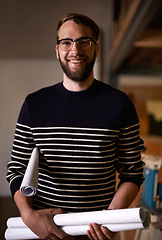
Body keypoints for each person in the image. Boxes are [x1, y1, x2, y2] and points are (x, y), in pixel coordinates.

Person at [6, 13, 144, 240]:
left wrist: (110, 218)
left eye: (84, 41)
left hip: (98, 231)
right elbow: (17, 169)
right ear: (57, 50)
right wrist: (29, 215)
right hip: (43, 230)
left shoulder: (120, 104)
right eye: (66, 42)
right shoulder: (34, 104)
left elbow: (132, 174)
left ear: (96, 49)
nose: (75, 50)